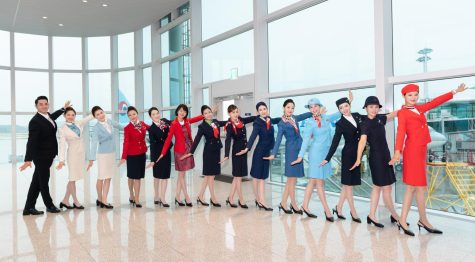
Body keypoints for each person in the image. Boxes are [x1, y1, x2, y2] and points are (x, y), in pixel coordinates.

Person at [389, 83, 467, 236]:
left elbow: (435, 102)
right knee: (411, 187)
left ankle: (423, 219)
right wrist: (397, 152)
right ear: (404, 97)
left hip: (421, 150)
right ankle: (403, 221)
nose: (413, 97)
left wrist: (454, 91)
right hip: (412, 151)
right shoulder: (403, 113)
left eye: (415, 94)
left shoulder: (418, 109)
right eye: (410, 95)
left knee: (420, 188)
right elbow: (400, 133)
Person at [350, 96, 399, 228]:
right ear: (365, 108)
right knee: (386, 189)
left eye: (376, 107)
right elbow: (362, 141)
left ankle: (371, 215)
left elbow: (393, 114)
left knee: (377, 188)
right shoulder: (365, 123)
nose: (374, 109)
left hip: (386, 156)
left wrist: (407, 108)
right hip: (376, 158)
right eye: (371, 107)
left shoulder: (379, 118)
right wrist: (358, 158)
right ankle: (396, 216)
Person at [291, 98, 341, 221]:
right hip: (315, 155)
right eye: (311, 107)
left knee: (312, 181)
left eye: (315, 106)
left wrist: (348, 102)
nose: (313, 109)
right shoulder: (309, 123)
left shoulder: (325, 118)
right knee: (319, 183)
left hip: (325, 154)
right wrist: (300, 156)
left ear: (320, 106)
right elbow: (306, 141)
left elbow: (338, 113)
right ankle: (327, 211)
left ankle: (305, 206)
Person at [20, 96, 70, 215]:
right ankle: (49, 205)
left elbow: (53, 117)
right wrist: (28, 159)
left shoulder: (47, 117)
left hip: (48, 155)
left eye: (45, 104)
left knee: (36, 182)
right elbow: (31, 141)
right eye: (41, 104)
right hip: (41, 156)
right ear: (36, 106)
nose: (44, 106)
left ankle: (28, 208)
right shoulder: (35, 121)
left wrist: (63, 108)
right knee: (43, 182)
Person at [265, 99, 312, 214]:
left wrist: (313, 111)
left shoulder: (294, 118)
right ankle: (294, 205)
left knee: (292, 180)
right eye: (288, 107)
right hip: (291, 152)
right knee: (291, 179)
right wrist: (273, 154)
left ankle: (283, 203)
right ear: (284, 108)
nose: (290, 110)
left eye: (292, 108)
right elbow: (278, 140)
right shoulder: (281, 124)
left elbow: (304, 115)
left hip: (298, 150)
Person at [322, 94, 363, 223]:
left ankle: (338, 208)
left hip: (358, 154)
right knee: (348, 186)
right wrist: (327, 158)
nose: (344, 109)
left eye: (346, 106)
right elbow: (335, 142)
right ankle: (353, 211)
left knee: (347, 185)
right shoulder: (340, 123)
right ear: (339, 110)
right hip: (348, 155)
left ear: (349, 105)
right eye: (341, 108)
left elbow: (370, 118)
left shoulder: (357, 116)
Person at [155, 104, 205, 207]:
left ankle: (177, 197)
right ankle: (186, 196)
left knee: (182, 175)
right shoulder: (174, 124)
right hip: (180, 151)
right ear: (177, 111)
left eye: (184, 111)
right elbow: (168, 139)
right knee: (182, 175)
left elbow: (195, 119)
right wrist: (163, 153)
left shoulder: (186, 121)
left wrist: (205, 115)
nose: (182, 113)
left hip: (188, 150)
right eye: (180, 111)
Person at [238, 102, 280, 211]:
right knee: (258, 177)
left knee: (262, 177)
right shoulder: (257, 122)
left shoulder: (269, 119)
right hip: (259, 152)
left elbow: (277, 120)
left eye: (264, 109)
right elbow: (253, 136)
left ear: (267, 109)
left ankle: (260, 200)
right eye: (260, 110)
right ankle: (261, 200)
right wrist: (247, 148)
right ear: (258, 112)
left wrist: (287, 117)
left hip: (267, 152)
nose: (263, 111)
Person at [182, 105, 224, 207]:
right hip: (209, 153)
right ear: (203, 115)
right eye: (205, 113)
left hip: (216, 151)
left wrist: (235, 118)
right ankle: (213, 198)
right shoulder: (202, 126)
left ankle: (200, 196)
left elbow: (227, 122)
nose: (208, 114)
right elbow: (197, 140)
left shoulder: (216, 122)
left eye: (209, 112)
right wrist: (191, 152)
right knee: (210, 176)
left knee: (209, 176)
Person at [56, 107, 94, 210]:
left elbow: (88, 118)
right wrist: (61, 160)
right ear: (64, 116)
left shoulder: (78, 123)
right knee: (72, 178)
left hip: (81, 154)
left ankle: (65, 200)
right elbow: (62, 145)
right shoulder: (62, 129)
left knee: (74, 179)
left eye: (73, 115)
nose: (71, 117)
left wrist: (96, 111)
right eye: (68, 115)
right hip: (72, 155)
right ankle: (76, 201)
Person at [221, 104, 256, 208]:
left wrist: (260, 116)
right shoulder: (230, 126)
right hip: (236, 152)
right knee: (238, 177)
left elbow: (251, 118)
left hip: (243, 152)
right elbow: (227, 140)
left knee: (237, 177)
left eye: (236, 111)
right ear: (229, 114)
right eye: (233, 112)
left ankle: (230, 197)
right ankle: (241, 199)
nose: (235, 114)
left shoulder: (241, 120)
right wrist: (226, 154)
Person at [88, 106, 120, 209]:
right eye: (97, 114)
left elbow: (120, 126)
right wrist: (91, 158)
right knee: (101, 177)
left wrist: (133, 127)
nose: (100, 115)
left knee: (108, 177)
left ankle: (104, 199)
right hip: (103, 155)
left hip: (112, 153)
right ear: (95, 117)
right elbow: (93, 143)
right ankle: (100, 198)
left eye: (101, 112)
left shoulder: (109, 121)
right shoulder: (96, 127)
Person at [119, 106, 150, 208]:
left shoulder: (142, 124)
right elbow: (126, 142)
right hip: (132, 155)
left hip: (142, 154)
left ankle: (136, 197)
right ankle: (132, 195)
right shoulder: (127, 128)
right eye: (130, 115)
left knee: (138, 177)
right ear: (128, 117)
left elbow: (152, 129)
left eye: (134, 114)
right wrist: (123, 156)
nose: (132, 116)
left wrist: (164, 125)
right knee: (132, 176)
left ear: (137, 114)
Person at [146, 107, 172, 208]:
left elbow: (169, 137)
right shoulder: (151, 129)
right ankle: (156, 195)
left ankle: (163, 198)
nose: (156, 115)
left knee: (165, 176)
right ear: (150, 116)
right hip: (157, 155)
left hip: (166, 153)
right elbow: (152, 145)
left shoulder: (165, 125)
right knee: (157, 176)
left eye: (157, 113)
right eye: (154, 114)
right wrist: (152, 160)